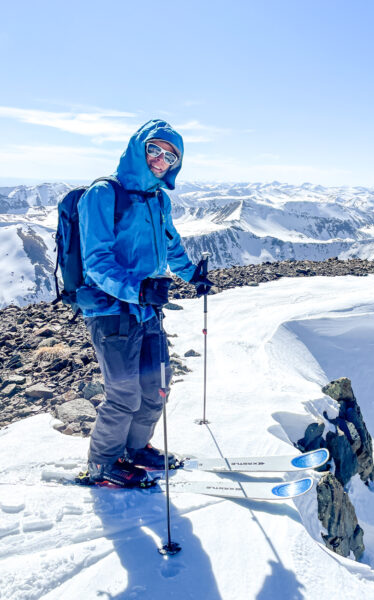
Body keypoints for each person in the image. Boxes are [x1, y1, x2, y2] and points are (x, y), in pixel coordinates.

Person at [76, 119, 212, 487]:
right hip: (110, 313)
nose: (160, 159)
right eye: (155, 149)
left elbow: (169, 245)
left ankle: (135, 449)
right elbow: (96, 261)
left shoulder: (159, 199)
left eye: (170, 156)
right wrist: (137, 290)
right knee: (124, 393)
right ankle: (102, 464)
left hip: (147, 311)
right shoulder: (104, 195)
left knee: (156, 387)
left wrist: (191, 274)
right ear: (139, 148)